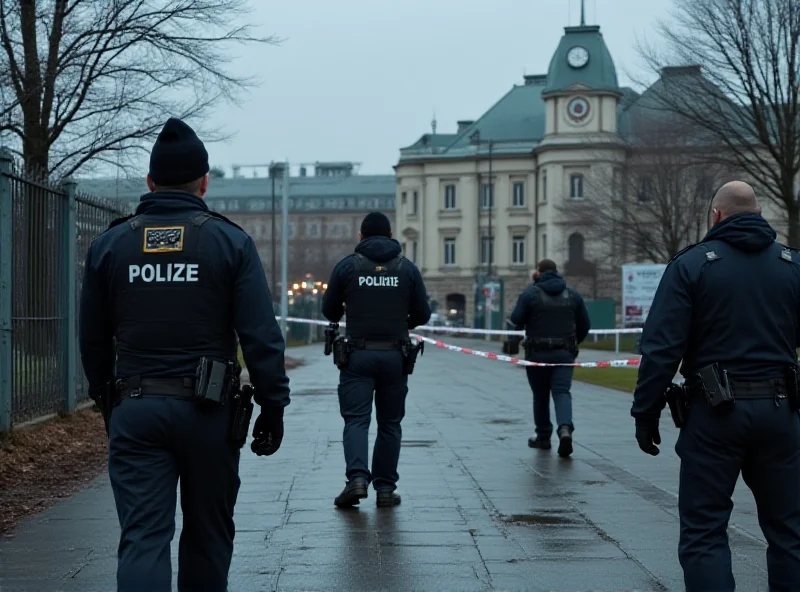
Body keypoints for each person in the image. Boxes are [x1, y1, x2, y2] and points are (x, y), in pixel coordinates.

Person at [78, 117, 291, 592]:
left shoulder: (110, 245)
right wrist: (273, 406)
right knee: (208, 537)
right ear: (204, 183)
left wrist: (105, 402)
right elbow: (259, 334)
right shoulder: (230, 242)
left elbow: (91, 338)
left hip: (135, 408)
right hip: (209, 414)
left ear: (150, 182)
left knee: (142, 539)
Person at [631, 181, 800, 591]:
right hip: (781, 412)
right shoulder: (791, 264)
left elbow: (661, 348)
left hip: (714, 414)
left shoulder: (692, 265)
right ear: (761, 216)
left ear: (716, 217)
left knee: (705, 531)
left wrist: (646, 412)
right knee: (790, 533)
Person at [322, 212, 431, 508]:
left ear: (361, 237)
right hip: (395, 355)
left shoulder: (348, 266)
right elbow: (423, 314)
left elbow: (329, 310)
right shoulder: (405, 268)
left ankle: (357, 479)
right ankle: (385, 488)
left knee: (356, 419)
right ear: (391, 235)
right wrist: (399, 318)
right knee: (390, 423)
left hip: (357, 354)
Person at [509, 259, 590, 457]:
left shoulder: (530, 294)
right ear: (557, 272)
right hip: (564, 352)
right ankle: (565, 429)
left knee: (541, 395)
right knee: (562, 392)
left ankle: (543, 437)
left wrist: (512, 346)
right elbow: (585, 325)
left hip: (537, 354)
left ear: (538, 272)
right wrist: (573, 345)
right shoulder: (572, 295)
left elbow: (515, 320)